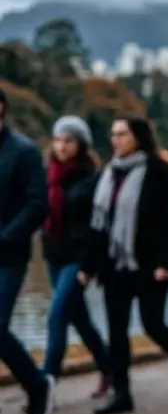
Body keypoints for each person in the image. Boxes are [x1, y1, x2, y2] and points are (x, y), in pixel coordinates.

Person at [80, 116, 168, 414]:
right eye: (113, 134)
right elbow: (99, 226)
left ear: (138, 137)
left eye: (121, 134)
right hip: (115, 266)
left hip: (150, 265)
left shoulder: (160, 172)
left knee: (153, 325)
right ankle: (122, 395)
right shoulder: (108, 174)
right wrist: (88, 267)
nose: (115, 140)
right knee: (116, 332)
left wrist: (165, 263)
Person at [41, 116, 112, 398]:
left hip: (78, 258)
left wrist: (90, 265)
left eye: (68, 140)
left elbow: (99, 225)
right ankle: (109, 368)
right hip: (53, 254)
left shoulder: (93, 179)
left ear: (81, 145)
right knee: (79, 318)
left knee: (56, 315)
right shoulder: (48, 175)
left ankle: (46, 384)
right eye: (58, 139)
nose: (61, 145)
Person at [0, 85, 56, 414]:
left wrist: (5, 237)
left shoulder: (23, 151)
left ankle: (37, 385)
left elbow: (38, 206)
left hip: (8, 254)